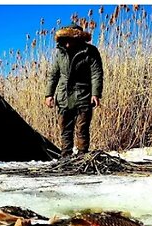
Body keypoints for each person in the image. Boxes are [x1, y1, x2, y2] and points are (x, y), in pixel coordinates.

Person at [45, 23, 103, 158]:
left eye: (70, 40)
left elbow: (96, 73)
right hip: (63, 95)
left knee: (82, 128)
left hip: (83, 94)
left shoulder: (90, 52)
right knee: (65, 128)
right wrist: (49, 94)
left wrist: (95, 94)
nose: (67, 44)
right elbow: (54, 74)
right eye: (65, 40)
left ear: (78, 39)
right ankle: (66, 156)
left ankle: (82, 156)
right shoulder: (60, 53)